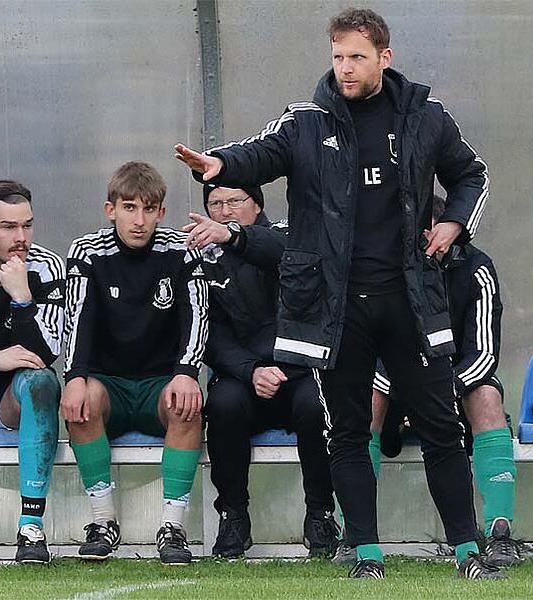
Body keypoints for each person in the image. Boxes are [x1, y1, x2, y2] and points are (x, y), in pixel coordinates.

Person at [176, 7, 502, 579]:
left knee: (442, 427)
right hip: (334, 306)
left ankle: (468, 550)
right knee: (347, 430)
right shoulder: (306, 120)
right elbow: (262, 153)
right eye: (337, 57)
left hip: (410, 299)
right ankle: (366, 553)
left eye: (356, 56)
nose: (345, 68)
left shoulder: (426, 116)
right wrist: (220, 163)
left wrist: (454, 223)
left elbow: (473, 174)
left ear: (384, 57)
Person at [332, 195, 523, 566]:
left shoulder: (476, 269)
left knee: (486, 396)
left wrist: (437, 393)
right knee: (365, 396)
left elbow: (482, 353)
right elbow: (364, 347)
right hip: (393, 386)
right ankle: (353, 536)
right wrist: (405, 389)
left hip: (449, 387)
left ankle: (499, 532)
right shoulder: (375, 270)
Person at [61, 161, 208, 565]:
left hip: (161, 383)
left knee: (188, 404)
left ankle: (173, 528)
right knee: (80, 402)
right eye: (129, 208)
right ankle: (103, 523)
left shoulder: (180, 250)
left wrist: (186, 372)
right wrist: (74, 376)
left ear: (161, 213)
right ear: (111, 210)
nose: (138, 220)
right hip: (109, 384)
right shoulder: (87, 251)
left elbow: (197, 313)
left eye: (148, 209)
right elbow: (77, 317)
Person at [183, 184, 339, 558]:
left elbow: (287, 265)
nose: (224, 211)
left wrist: (236, 238)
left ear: (257, 204)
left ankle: (320, 513)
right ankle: (234, 516)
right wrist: (251, 370)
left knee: (317, 408)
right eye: (215, 204)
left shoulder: (290, 237)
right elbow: (210, 332)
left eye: (234, 202)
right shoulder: (202, 259)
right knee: (223, 405)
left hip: (299, 372)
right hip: (242, 375)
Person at [0, 180, 64, 564]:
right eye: (8, 227)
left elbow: (46, 354)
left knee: (41, 383)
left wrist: (21, 300)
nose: (21, 237)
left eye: (27, 225)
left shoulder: (45, 266)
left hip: (9, 399)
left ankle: (30, 528)